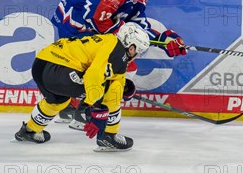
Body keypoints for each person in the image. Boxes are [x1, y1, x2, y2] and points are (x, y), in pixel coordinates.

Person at [52, 0, 187, 125]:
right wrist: (122, 32)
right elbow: (96, 14)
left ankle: (73, 108)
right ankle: (84, 111)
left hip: (85, 22)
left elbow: (138, 25)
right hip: (73, 21)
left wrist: (163, 39)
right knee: (116, 64)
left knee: (114, 64)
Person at [14, 22, 151, 151]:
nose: (138, 55)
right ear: (131, 47)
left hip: (42, 64)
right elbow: (94, 74)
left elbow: (113, 76)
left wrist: (126, 87)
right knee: (112, 91)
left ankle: (30, 130)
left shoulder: (110, 42)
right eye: (138, 51)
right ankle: (108, 136)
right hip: (59, 69)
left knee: (58, 100)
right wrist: (93, 106)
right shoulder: (118, 50)